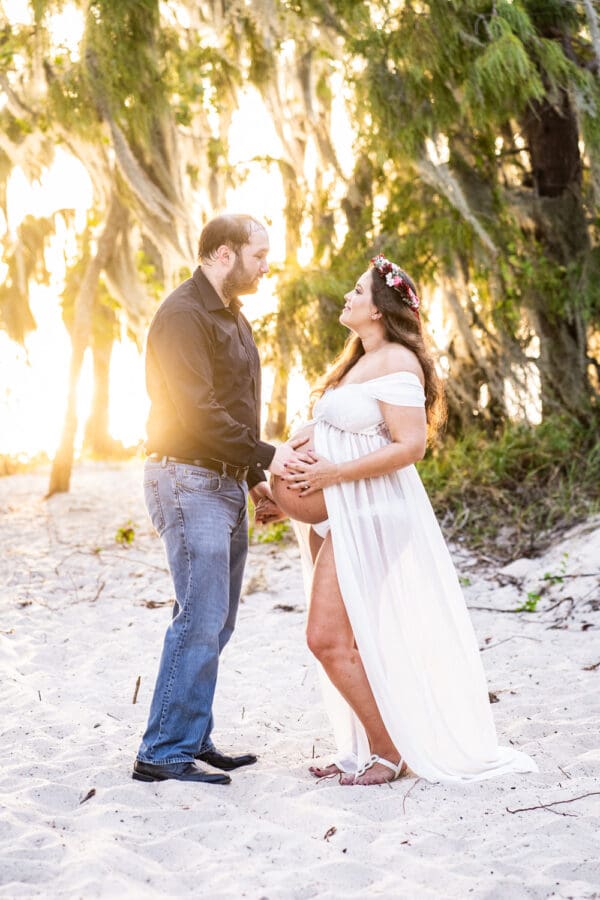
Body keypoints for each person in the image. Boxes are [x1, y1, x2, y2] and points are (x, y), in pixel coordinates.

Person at [274, 254, 538, 785]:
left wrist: (333, 475)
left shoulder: (399, 360)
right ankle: (359, 749)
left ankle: (389, 751)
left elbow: (411, 446)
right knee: (352, 637)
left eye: (356, 291)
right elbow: (338, 431)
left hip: (374, 513)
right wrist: (283, 487)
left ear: (379, 308)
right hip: (345, 513)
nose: (347, 298)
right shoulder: (357, 361)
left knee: (326, 638)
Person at [133, 214, 307, 785]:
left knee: (217, 620)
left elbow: (232, 408)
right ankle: (161, 752)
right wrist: (267, 456)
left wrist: (250, 475)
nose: (265, 266)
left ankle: (190, 736)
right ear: (225, 253)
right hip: (186, 481)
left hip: (223, 481)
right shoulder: (183, 315)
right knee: (198, 618)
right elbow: (198, 412)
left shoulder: (231, 315)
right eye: (259, 254)